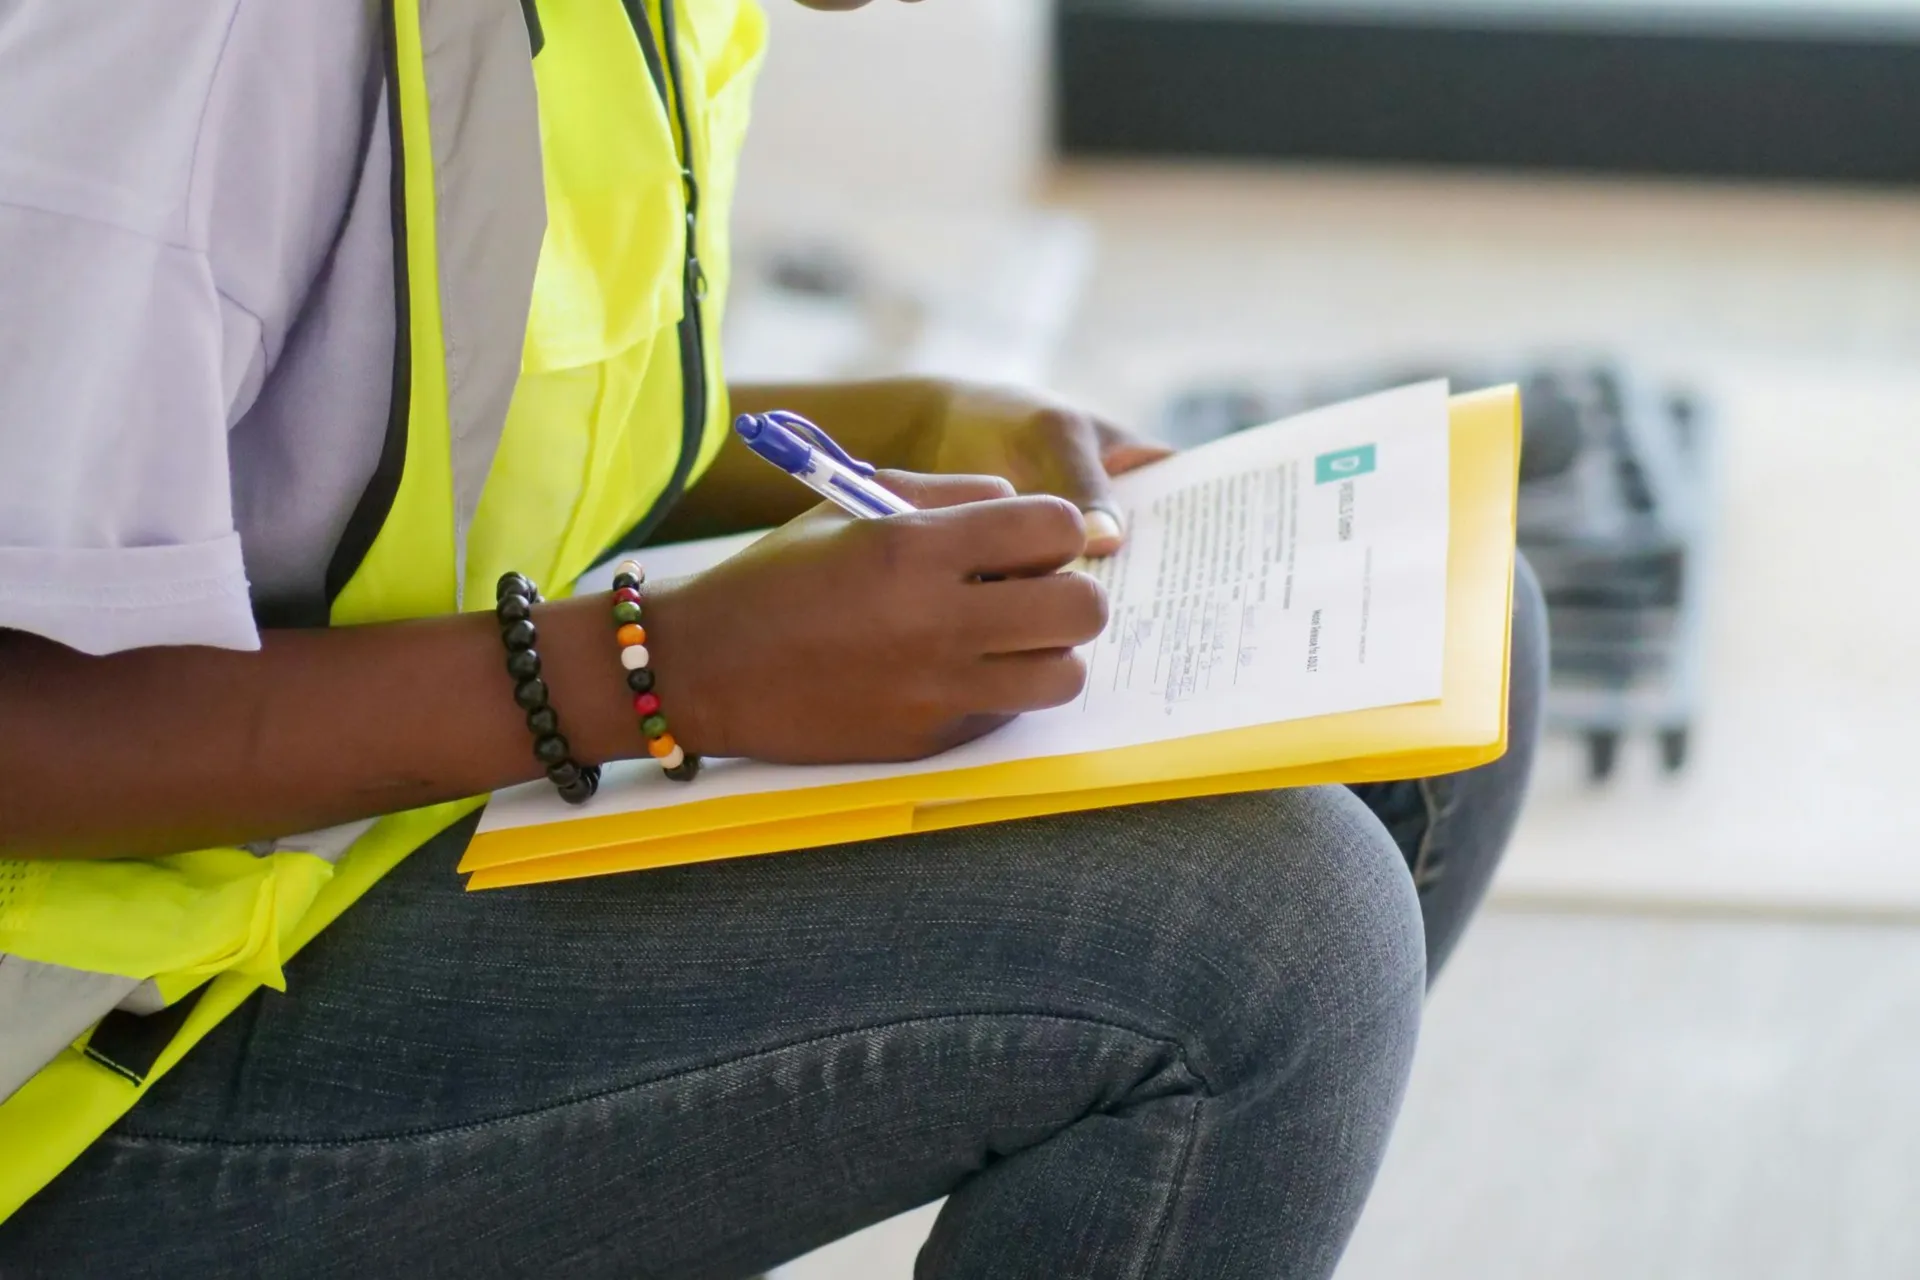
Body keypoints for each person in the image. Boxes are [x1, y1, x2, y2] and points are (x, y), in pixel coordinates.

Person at [0, 1, 1545, 1275]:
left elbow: (426, 427)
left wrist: (917, 425)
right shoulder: (192, 43)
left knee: (1459, 644)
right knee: (1267, 942)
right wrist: (663, 668)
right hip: (73, 1081)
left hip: (329, 847)